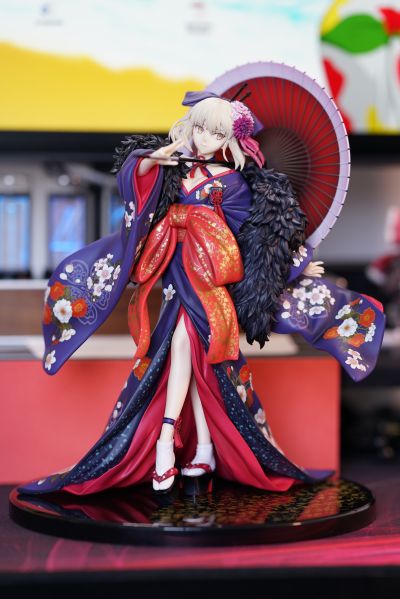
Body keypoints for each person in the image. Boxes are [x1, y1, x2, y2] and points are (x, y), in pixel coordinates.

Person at [19, 92, 385, 497]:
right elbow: (135, 189)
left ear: (231, 140)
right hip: (175, 272)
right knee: (197, 361)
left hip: (210, 281)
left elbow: (257, 237)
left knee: (184, 344)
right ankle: (205, 448)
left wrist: (293, 262)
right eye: (201, 129)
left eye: (217, 133)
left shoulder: (234, 183)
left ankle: (166, 438)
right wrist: (151, 161)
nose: (206, 138)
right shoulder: (174, 170)